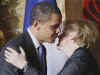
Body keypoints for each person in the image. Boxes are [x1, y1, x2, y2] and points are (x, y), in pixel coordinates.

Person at [0, 2, 62, 75]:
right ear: (36, 24)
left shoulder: (42, 49)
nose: (59, 31)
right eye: (54, 26)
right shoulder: (14, 49)